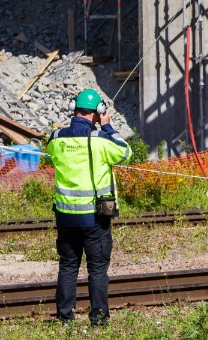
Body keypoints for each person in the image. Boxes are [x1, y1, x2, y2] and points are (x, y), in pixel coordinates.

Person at [46, 88, 130, 326]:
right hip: (95, 217)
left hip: (65, 216)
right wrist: (108, 127)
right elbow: (125, 152)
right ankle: (99, 319)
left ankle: (65, 318)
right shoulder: (102, 140)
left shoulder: (56, 138)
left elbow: (53, 152)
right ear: (99, 112)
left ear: (73, 109)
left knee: (68, 266)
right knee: (97, 269)